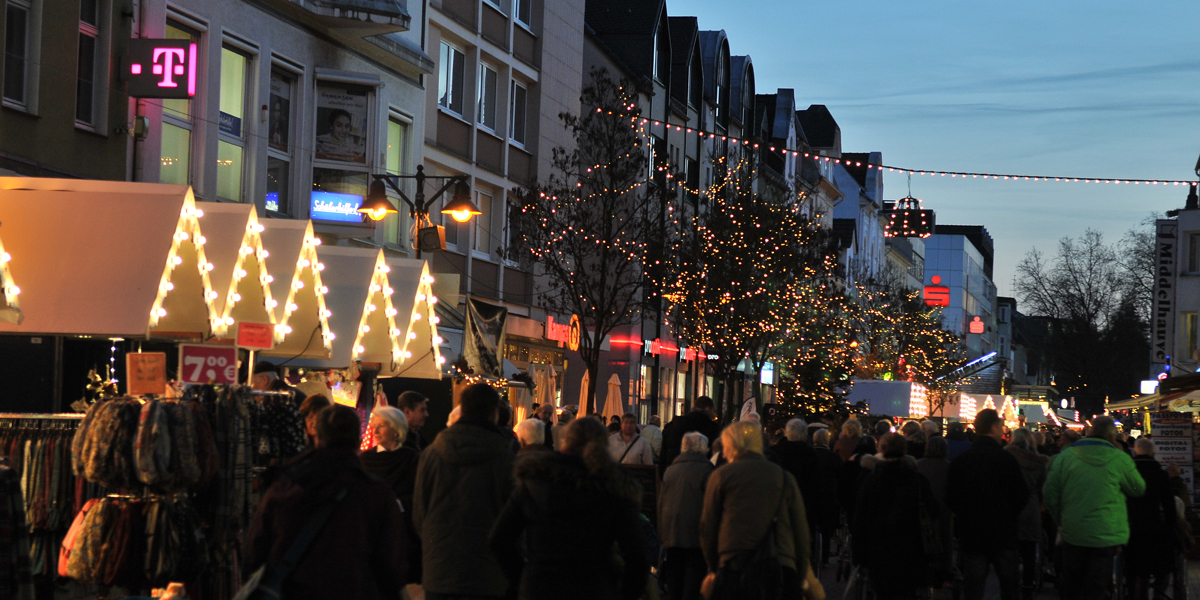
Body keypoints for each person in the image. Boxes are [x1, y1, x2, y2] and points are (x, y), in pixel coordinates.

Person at [245, 405, 406, 600]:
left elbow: (256, 550)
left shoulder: (286, 487)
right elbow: (389, 562)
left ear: (316, 436)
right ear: (357, 440)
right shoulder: (375, 493)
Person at [490, 417, 649, 600]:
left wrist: (523, 577)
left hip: (540, 587)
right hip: (594, 587)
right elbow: (638, 556)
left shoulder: (536, 480)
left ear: (566, 443)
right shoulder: (614, 487)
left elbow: (499, 539)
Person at [413, 384, 515, 600]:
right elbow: (511, 521)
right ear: (494, 412)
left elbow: (419, 513)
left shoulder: (431, 454)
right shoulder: (504, 458)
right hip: (487, 573)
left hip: (440, 569)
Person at [701, 421, 815, 599]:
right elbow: (800, 531)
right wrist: (799, 573)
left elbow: (708, 526)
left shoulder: (720, 477)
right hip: (779, 565)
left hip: (734, 566)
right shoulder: (783, 478)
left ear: (732, 446)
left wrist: (715, 566)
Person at [1043, 416, 1145, 600]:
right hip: (1106, 532)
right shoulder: (1119, 458)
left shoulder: (1065, 457)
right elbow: (1138, 489)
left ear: (1090, 432)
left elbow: (1050, 494)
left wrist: (1061, 519)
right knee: (1096, 586)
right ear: (1112, 435)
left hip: (1073, 531)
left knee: (1072, 584)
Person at [946, 409, 1028, 600]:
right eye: (1001, 427)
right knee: (1009, 586)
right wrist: (1008, 514)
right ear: (993, 428)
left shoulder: (961, 461)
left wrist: (965, 515)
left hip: (973, 532)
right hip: (1003, 532)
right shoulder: (1007, 460)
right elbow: (1021, 494)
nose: (1003, 431)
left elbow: (951, 496)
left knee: (973, 587)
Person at [853, 433, 945, 599]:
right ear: (905, 451)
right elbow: (933, 511)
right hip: (911, 550)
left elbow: (860, 518)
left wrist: (860, 556)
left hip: (878, 550)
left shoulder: (871, 480)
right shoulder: (917, 480)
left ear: (881, 449)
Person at [358, 406, 423, 587]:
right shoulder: (365, 460)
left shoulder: (412, 459)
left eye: (382, 426)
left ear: (396, 429)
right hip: (373, 531)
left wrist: (398, 505)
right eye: (374, 426)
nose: (376, 431)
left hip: (403, 532)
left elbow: (419, 495)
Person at [659, 432, 714, 600]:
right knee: (693, 576)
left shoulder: (671, 470)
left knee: (674, 575)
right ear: (703, 448)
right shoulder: (707, 470)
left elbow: (662, 501)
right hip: (695, 532)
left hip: (671, 531)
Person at [1125, 438, 1178, 600]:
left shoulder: (1128, 472)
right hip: (1152, 526)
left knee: (1131, 566)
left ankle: (1132, 592)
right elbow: (1169, 504)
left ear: (1135, 451)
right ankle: (1157, 593)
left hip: (1129, 525)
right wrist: (1171, 526)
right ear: (1153, 453)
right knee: (1156, 559)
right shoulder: (1160, 474)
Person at [1005, 428, 1048, 599]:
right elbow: (1043, 487)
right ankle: (1027, 586)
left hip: (1009, 506)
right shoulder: (1040, 462)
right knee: (1029, 551)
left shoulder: (1007, 457)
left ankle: (1010, 585)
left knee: (1009, 552)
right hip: (1030, 507)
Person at [771, 418, 823, 557]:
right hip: (803, 506)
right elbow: (816, 484)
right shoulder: (811, 455)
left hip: (778, 506)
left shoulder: (774, 453)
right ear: (805, 435)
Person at [660, 396, 722, 474]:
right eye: (713, 411)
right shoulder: (712, 429)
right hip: (701, 475)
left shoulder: (674, 426)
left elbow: (663, 455)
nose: (714, 415)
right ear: (707, 409)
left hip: (672, 473)